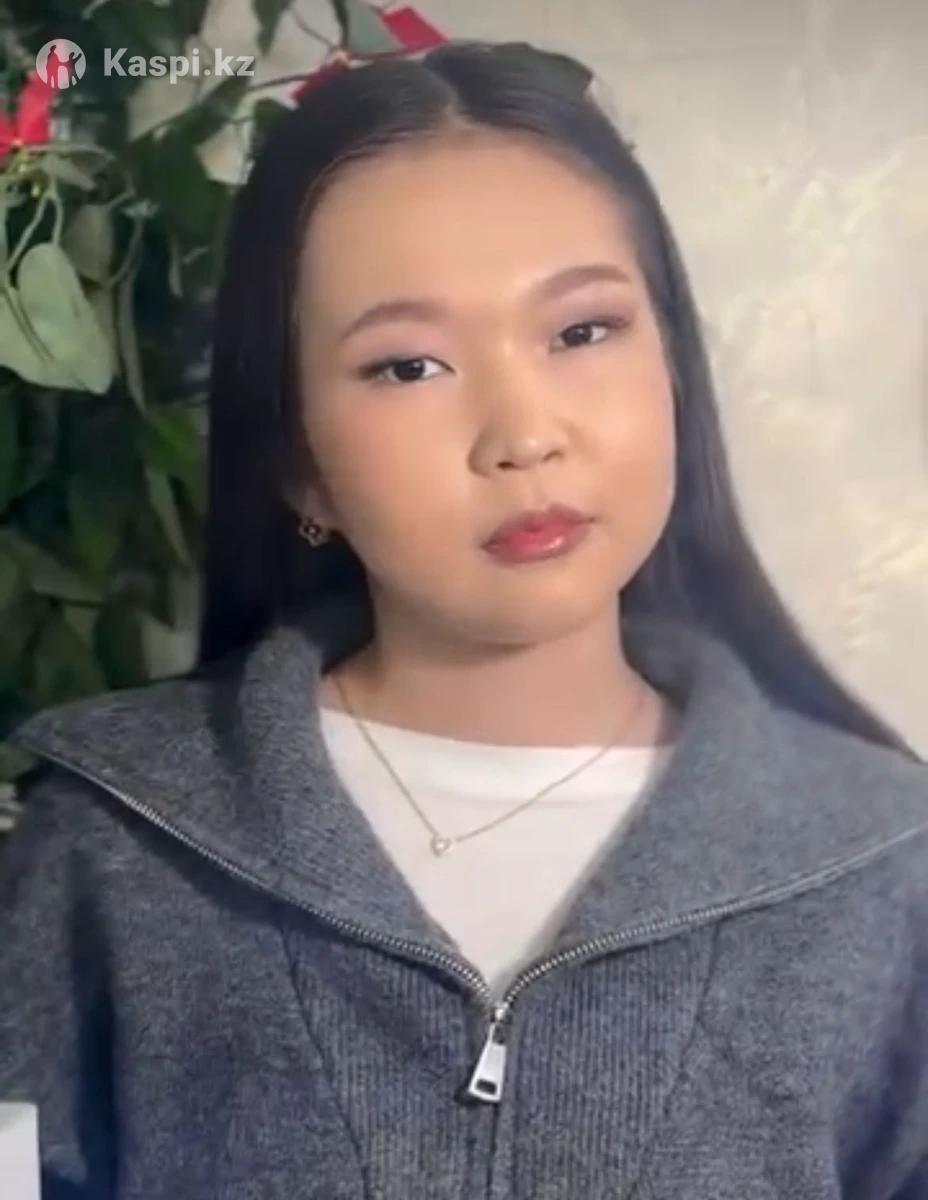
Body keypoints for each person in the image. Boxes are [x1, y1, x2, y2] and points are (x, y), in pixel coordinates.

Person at [1, 38, 926, 1200]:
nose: (522, 434)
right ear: (297, 459)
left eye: (581, 332)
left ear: (673, 372)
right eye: (407, 366)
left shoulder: (881, 863)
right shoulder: (112, 843)